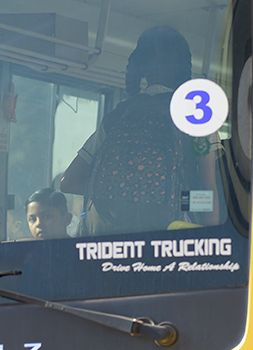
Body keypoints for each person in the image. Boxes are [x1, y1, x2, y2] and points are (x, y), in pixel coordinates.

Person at [61, 26, 197, 235]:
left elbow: (68, 182)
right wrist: (177, 198)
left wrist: (118, 192)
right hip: (165, 244)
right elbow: (209, 198)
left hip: (107, 243)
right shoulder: (195, 115)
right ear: (184, 67)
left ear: (140, 68)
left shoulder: (118, 116)